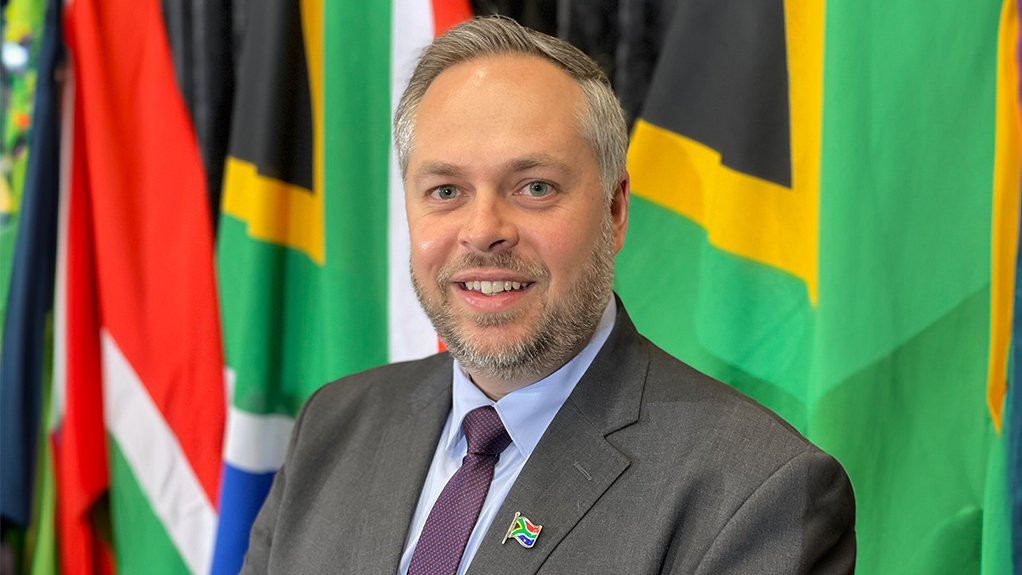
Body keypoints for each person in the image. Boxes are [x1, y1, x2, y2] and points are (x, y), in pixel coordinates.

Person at [241, 16, 855, 574]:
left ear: (614, 211)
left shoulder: (757, 490)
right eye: (446, 191)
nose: (484, 231)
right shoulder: (332, 426)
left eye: (534, 187)